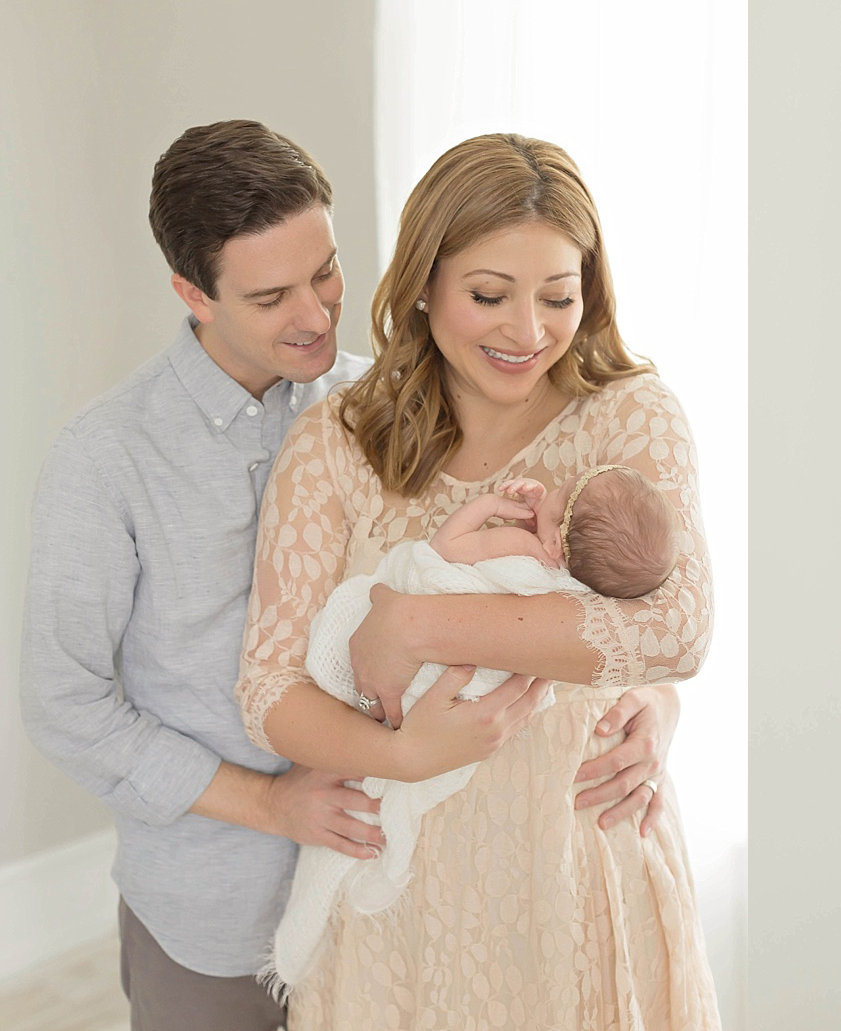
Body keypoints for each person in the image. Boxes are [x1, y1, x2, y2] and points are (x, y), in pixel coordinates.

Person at [16, 121, 681, 1031]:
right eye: (272, 295)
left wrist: (649, 698)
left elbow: (564, 597)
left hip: (393, 898)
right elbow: (67, 704)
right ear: (191, 293)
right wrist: (269, 801)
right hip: (223, 892)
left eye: (325, 273)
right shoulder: (106, 458)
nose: (317, 315)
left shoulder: (378, 410)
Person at [237, 132, 717, 1030]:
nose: (527, 332)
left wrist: (417, 625)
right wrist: (400, 756)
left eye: (559, 296)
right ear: (423, 281)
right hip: (402, 905)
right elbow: (267, 691)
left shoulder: (629, 417)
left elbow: (678, 632)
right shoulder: (336, 441)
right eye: (489, 295)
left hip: (578, 870)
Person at [271, 465, 685, 987]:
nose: (548, 489)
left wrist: (485, 511)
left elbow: (447, 554)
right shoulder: (580, 593)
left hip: (438, 679)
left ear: (555, 536)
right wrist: (550, 517)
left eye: (557, 498)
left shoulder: (522, 549)